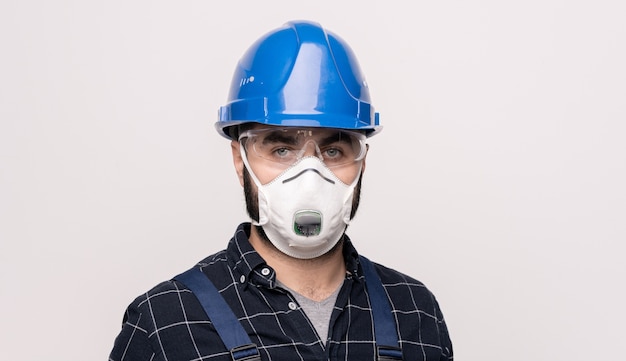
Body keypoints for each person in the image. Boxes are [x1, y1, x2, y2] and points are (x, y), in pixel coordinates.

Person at [109, 20, 453, 361]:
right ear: (239, 160)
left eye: (333, 151)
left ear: (362, 162)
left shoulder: (415, 313)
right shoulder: (165, 324)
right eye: (281, 150)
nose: (309, 175)